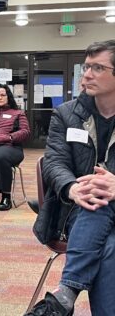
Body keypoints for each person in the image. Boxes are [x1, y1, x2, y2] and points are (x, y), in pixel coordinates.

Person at [26, 40, 115, 316]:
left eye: (97, 68)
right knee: (110, 247)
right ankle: (66, 295)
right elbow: (54, 162)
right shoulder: (66, 114)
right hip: (78, 208)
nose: (86, 74)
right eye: (86, 66)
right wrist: (73, 187)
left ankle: (65, 295)